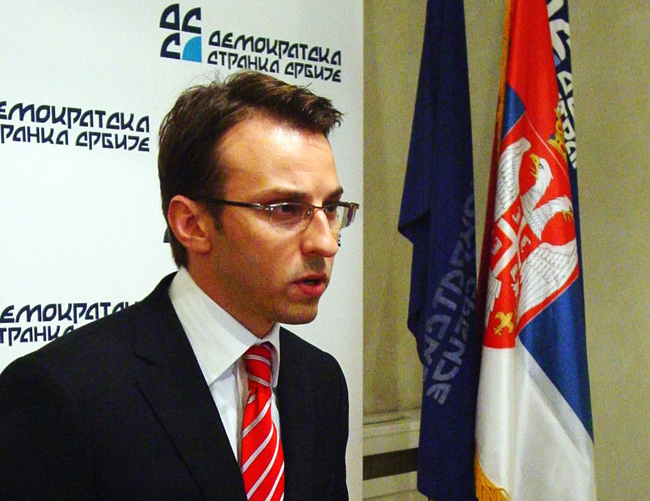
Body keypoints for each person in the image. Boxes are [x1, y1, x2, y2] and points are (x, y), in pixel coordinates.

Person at [0, 71, 358, 500]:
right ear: (191, 224)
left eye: (331, 208)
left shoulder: (320, 381)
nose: (326, 242)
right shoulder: (64, 394)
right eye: (285, 209)